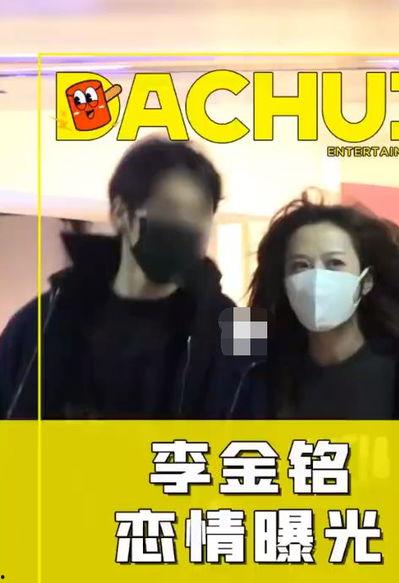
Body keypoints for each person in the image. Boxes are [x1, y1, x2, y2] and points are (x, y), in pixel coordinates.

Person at [0, 137, 242, 419]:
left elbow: (264, 401)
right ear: (121, 213)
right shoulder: (43, 320)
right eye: (170, 208)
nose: (186, 224)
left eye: (199, 214)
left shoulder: (240, 322)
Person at [229, 192, 399, 420]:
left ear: (366, 281)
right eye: (300, 265)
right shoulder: (261, 385)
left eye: (335, 263)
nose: (317, 278)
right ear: (285, 283)